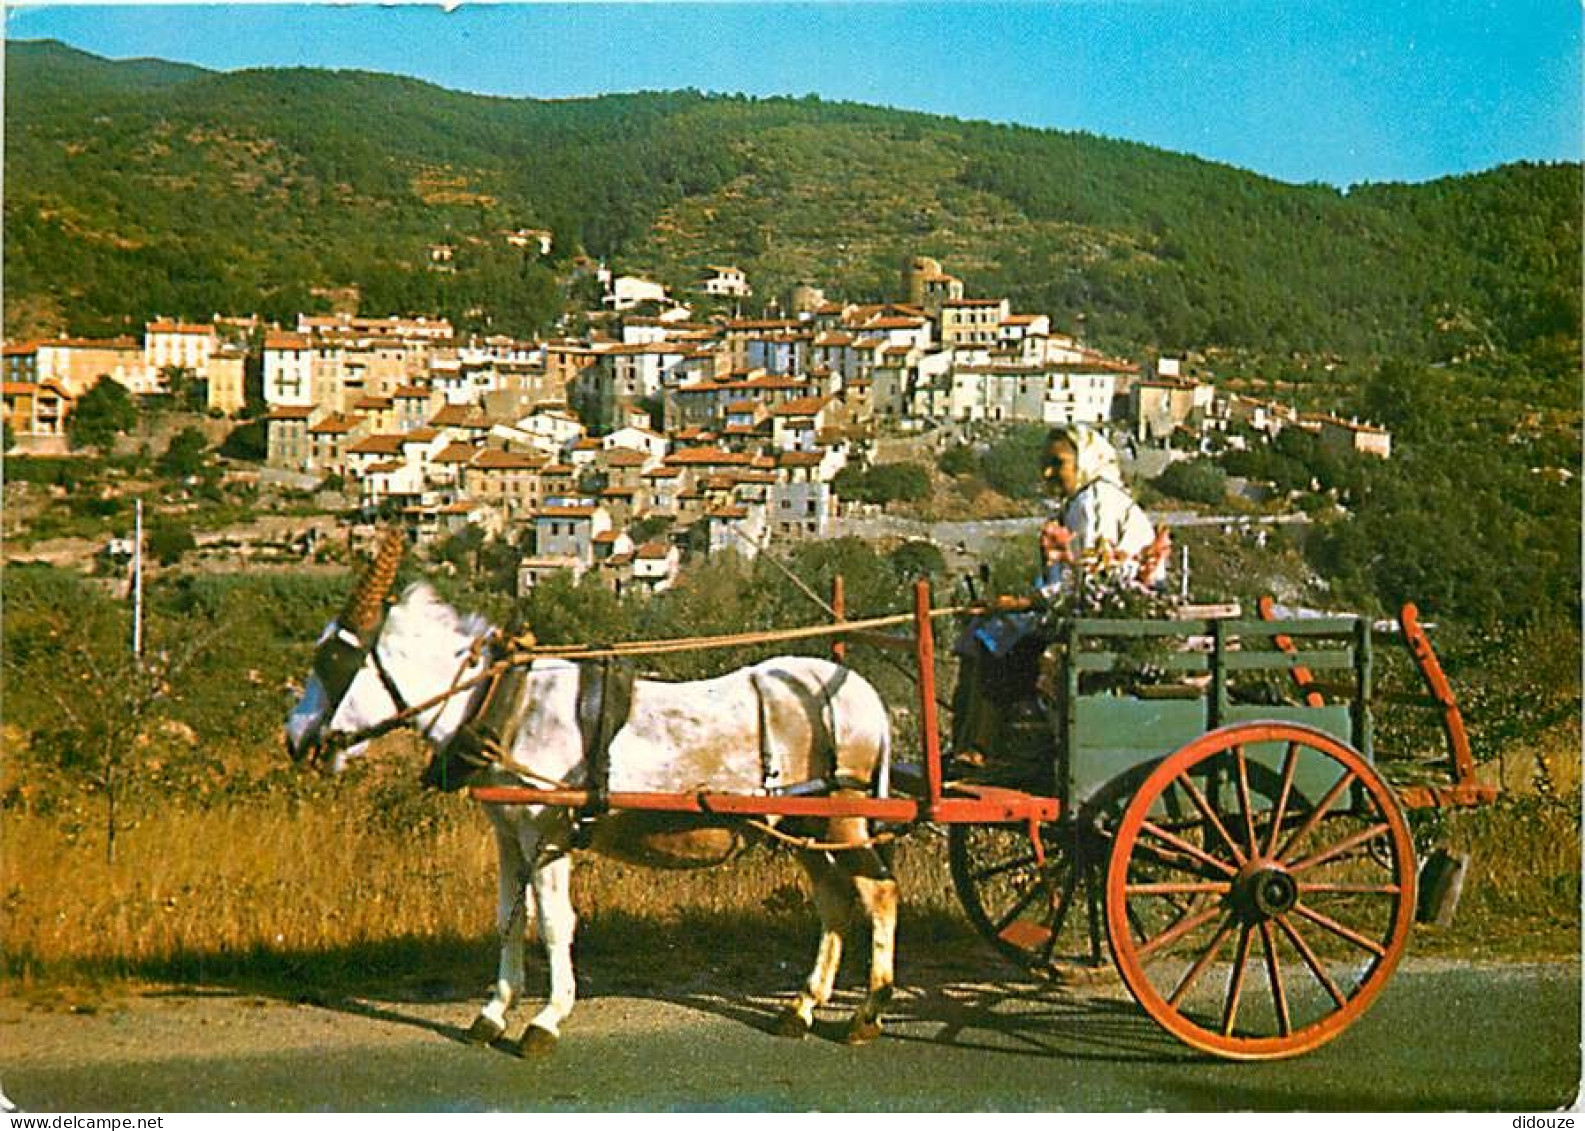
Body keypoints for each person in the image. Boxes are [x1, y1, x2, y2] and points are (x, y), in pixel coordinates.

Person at [951, 425, 1168, 778]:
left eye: (1057, 463)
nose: (1048, 473)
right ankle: (970, 740)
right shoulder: (1084, 500)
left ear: (1084, 460)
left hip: (1105, 615)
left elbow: (1093, 579)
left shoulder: (1095, 502)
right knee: (984, 631)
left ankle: (983, 746)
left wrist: (1022, 604)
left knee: (995, 639)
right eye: (1045, 464)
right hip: (1085, 610)